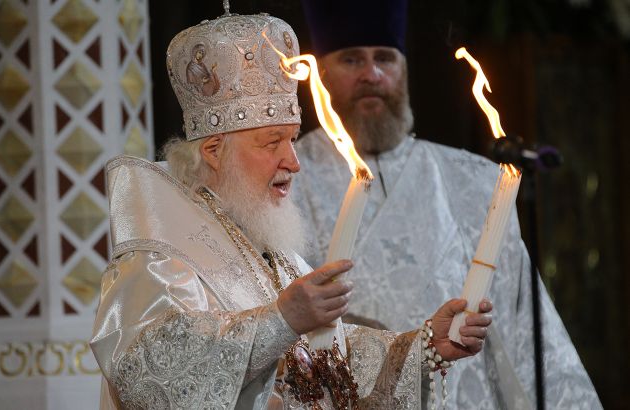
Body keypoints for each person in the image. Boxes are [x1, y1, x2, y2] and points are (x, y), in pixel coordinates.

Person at [89, 8, 494, 410]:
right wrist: (279, 321)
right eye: (271, 143)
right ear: (214, 151)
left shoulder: (273, 251)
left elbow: (326, 360)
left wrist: (423, 347)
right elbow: (146, 371)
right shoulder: (161, 255)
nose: (293, 161)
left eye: (293, 139)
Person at [293, 1, 602, 409]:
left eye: (384, 58)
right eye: (352, 59)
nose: (372, 74)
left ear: (404, 70)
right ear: (323, 72)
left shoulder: (472, 178)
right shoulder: (288, 177)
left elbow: (522, 328)